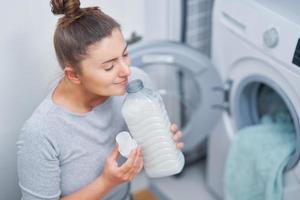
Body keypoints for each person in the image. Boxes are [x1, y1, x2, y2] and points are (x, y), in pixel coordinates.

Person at [16, 0, 184, 200]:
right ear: (74, 75)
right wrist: (106, 183)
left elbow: (146, 156)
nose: (126, 70)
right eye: (109, 67)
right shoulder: (41, 133)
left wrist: (157, 148)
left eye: (125, 54)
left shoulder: (137, 84)